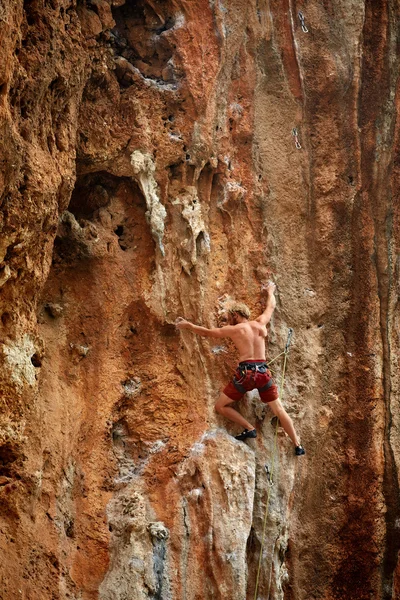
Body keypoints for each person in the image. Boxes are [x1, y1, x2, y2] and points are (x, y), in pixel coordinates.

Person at [175, 282, 305, 455]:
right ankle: (297, 445)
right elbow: (271, 305)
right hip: (264, 374)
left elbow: (207, 332)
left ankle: (249, 428)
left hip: (246, 374)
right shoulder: (260, 324)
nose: (229, 320)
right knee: (279, 410)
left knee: (221, 406)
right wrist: (270, 291)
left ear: (236, 315)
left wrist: (189, 326)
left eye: (230, 317)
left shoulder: (235, 329)